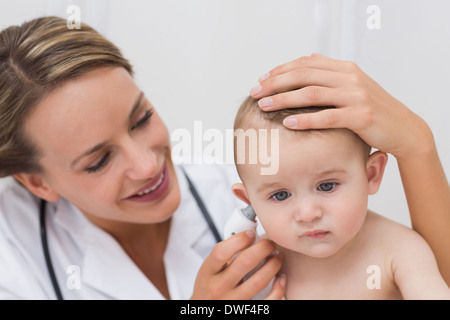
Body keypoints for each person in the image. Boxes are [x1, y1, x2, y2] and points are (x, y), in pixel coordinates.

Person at [0, 16, 448, 300]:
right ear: (38, 183)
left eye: (141, 119)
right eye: (98, 161)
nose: (147, 165)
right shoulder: (11, 261)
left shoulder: (259, 199)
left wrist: (417, 145)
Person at [231, 97, 450, 299]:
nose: (308, 213)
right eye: (280, 195)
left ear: (371, 174)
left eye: (326, 186)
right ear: (249, 200)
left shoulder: (399, 251)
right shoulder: (258, 264)